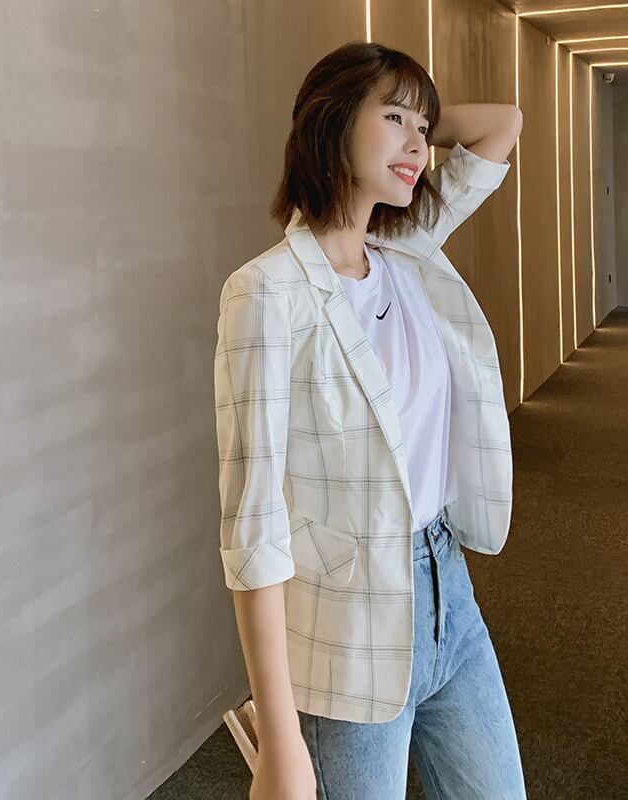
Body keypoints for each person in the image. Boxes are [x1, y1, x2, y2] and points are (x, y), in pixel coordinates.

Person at [214, 40, 525, 800]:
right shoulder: (268, 292)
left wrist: (408, 122)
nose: (419, 144)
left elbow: (503, 124)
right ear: (331, 120)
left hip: (449, 595)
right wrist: (280, 740)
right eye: (393, 118)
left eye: (424, 127)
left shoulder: (406, 248)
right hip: (346, 630)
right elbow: (253, 530)